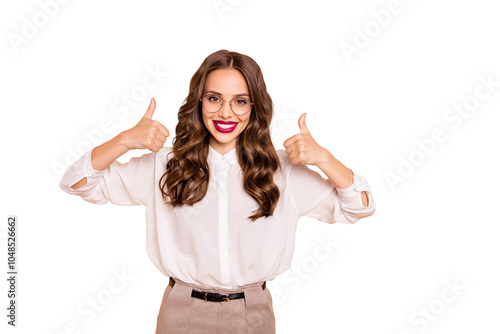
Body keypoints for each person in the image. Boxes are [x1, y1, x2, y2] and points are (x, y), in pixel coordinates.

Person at [59, 49, 376, 333]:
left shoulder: (283, 170)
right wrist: (125, 140)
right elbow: (78, 182)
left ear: (254, 107)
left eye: (240, 101)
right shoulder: (165, 165)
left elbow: (358, 207)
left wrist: (324, 158)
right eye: (214, 98)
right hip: (181, 313)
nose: (226, 113)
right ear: (199, 103)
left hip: (253, 314)